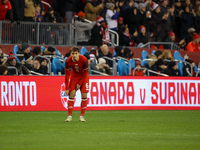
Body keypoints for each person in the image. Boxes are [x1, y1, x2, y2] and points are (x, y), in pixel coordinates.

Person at [64, 47, 89, 122]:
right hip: (74, 76)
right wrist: (66, 88)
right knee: (71, 94)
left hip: (84, 77)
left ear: (79, 53)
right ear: (70, 54)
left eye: (76, 53)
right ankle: (69, 116)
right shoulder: (68, 61)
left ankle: (82, 116)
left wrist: (80, 83)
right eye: (72, 53)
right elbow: (66, 75)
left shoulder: (84, 60)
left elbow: (85, 73)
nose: (74, 55)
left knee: (84, 95)